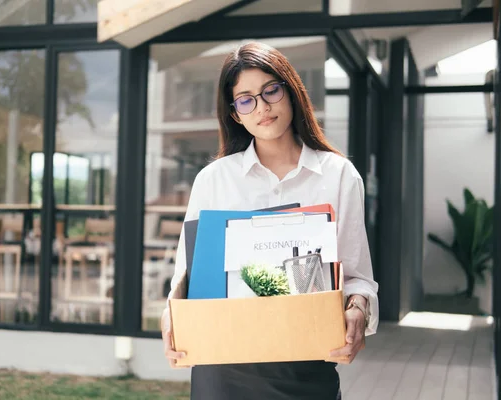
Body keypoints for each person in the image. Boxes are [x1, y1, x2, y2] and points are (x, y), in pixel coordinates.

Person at [160, 41, 379, 400]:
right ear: (235, 114)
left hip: (307, 366)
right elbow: (184, 280)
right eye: (246, 99)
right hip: (222, 369)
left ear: (290, 91)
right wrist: (172, 321)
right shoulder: (213, 180)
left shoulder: (338, 175)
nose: (262, 107)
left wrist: (357, 309)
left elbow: (358, 278)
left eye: (270, 91)